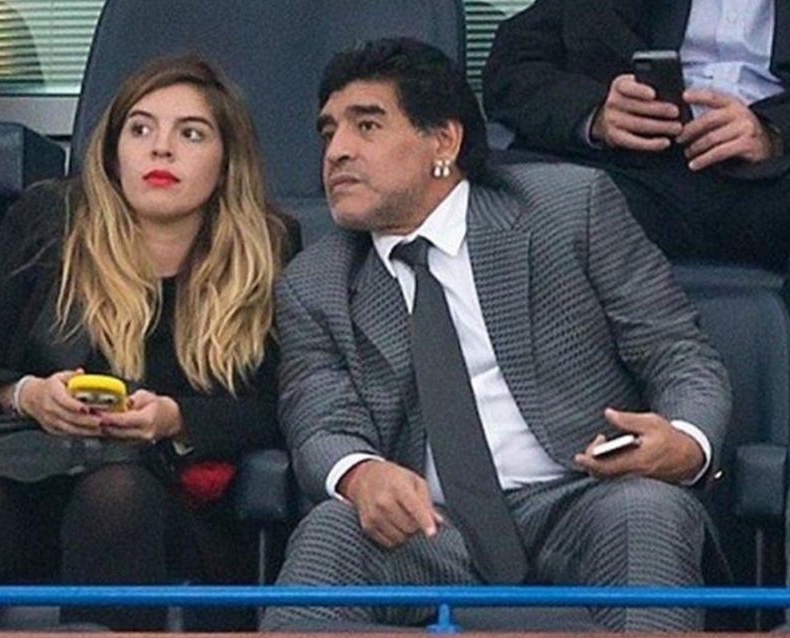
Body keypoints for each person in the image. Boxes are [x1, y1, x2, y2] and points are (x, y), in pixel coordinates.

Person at [260, 37, 730, 633]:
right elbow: (319, 420)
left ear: (444, 142)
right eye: (328, 133)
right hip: (430, 527)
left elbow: (679, 354)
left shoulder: (570, 209)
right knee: (333, 527)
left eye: (367, 126)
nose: (337, 151)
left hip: (584, 500)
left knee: (649, 509)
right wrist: (360, 472)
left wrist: (685, 442)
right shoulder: (314, 282)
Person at [0, 53, 291, 631]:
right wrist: (26, 395)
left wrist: (176, 419)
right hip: (33, 480)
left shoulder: (267, 249)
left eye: (191, 134)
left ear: (227, 162)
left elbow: (280, 410)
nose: (161, 150)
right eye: (140, 129)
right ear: (112, 152)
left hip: (173, 508)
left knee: (116, 493)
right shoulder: (51, 224)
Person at [482, 0, 790, 271]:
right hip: (632, 177)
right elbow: (511, 68)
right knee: (498, 197)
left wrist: (773, 132)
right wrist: (596, 114)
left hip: (771, 181)